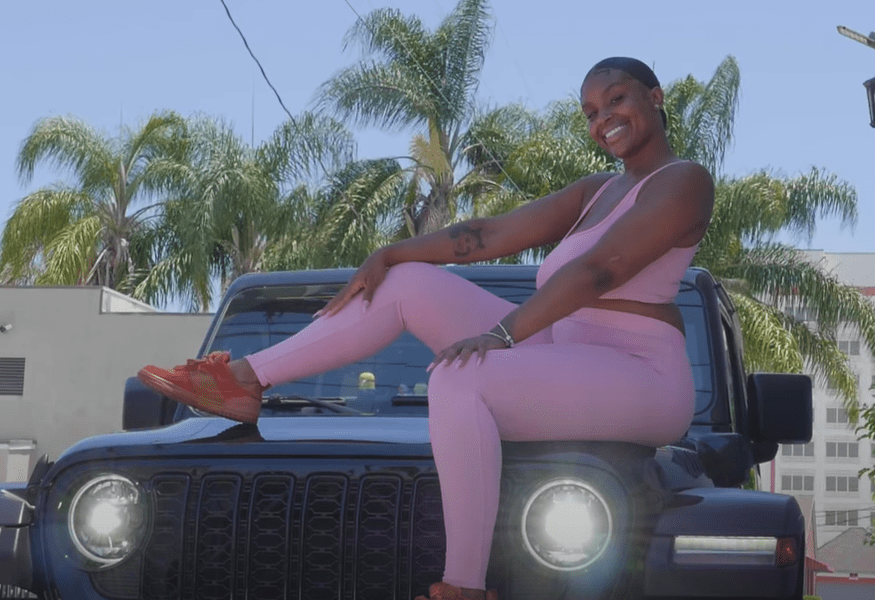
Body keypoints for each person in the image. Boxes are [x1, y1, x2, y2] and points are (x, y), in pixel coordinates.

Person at [138, 57, 714, 600]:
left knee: (460, 378)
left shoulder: (683, 181)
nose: (603, 119)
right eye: (590, 112)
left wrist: (504, 336)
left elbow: (599, 270)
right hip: (567, 351)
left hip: (639, 374)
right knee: (406, 283)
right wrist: (392, 252)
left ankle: (462, 586)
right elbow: (489, 234)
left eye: (616, 100)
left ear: (655, 98)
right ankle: (246, 380)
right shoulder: (597, 190)